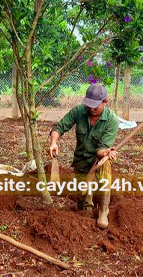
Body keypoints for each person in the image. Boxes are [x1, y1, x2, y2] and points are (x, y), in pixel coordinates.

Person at [48, 83, 118, 229]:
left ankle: (103, 210)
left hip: (97, 161)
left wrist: (105, 153)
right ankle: (87, 206)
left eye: (95, 106)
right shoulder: (80, 111)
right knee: (84, 205)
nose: (91, 109)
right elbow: (59, 127)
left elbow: (101, 150)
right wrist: (54, 142)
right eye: (89, 105)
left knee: (105, 164)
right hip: (81, 162)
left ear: (105, 102)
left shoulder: (111, 120)